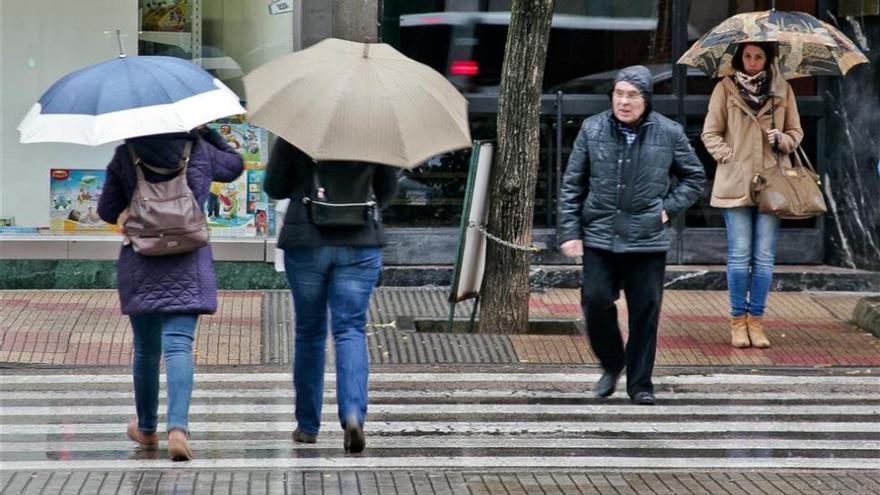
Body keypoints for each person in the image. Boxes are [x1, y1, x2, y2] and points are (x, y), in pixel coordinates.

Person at [559, 65, 705, 405]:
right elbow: (572, 184)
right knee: (595, 301)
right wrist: (570, 231)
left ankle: (640, 384)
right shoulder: (592, 129)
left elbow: (694, 177)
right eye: (618, 94)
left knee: (644, 312)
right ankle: (613, 362)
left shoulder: (669, 132)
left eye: (632, 95)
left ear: (646, 99)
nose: (624, 102)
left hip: (647, 239)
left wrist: (667, 209)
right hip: (600, 235)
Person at [97, 127, 243, 461]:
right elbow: (234, 166)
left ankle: (147, 429)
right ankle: (178, 429)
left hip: (142, 260)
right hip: (187, 259)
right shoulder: (199, 150)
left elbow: (107, 209)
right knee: (179, 344)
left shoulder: (126, 154)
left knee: (146, 350)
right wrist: (208, 135)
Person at [263, 139, 399, 453]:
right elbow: (387, 192)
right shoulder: (374, 129)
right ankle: (352, 414)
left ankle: (308, 426)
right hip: (360, 241)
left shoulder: (299, 128)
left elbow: (275, 186)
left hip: (307, 240)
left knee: (309, 332)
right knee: (350, 329)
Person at [702, 42, 803, 349]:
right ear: (739, 57)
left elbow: (796, 132)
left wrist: (782, 139)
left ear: (768, 58)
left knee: (763, 258)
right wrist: (728, 155)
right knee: (739, 255)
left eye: (759, 56)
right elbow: (710, 132)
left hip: (772, 182)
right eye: (747, 55)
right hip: (736, 181)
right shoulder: (725, 88)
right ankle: (737, 320)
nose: (752, 61)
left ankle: (756, 321)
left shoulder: (782, 89)